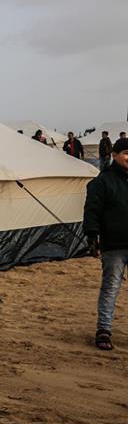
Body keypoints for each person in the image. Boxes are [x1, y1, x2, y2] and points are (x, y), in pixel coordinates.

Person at [84, 138, 128, 350]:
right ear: (115, 155)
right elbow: (92, 211)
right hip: (114, 245)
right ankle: (104, 329)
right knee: (111, 287)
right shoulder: (102, 182)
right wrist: (92, 236)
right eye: (126, 153)